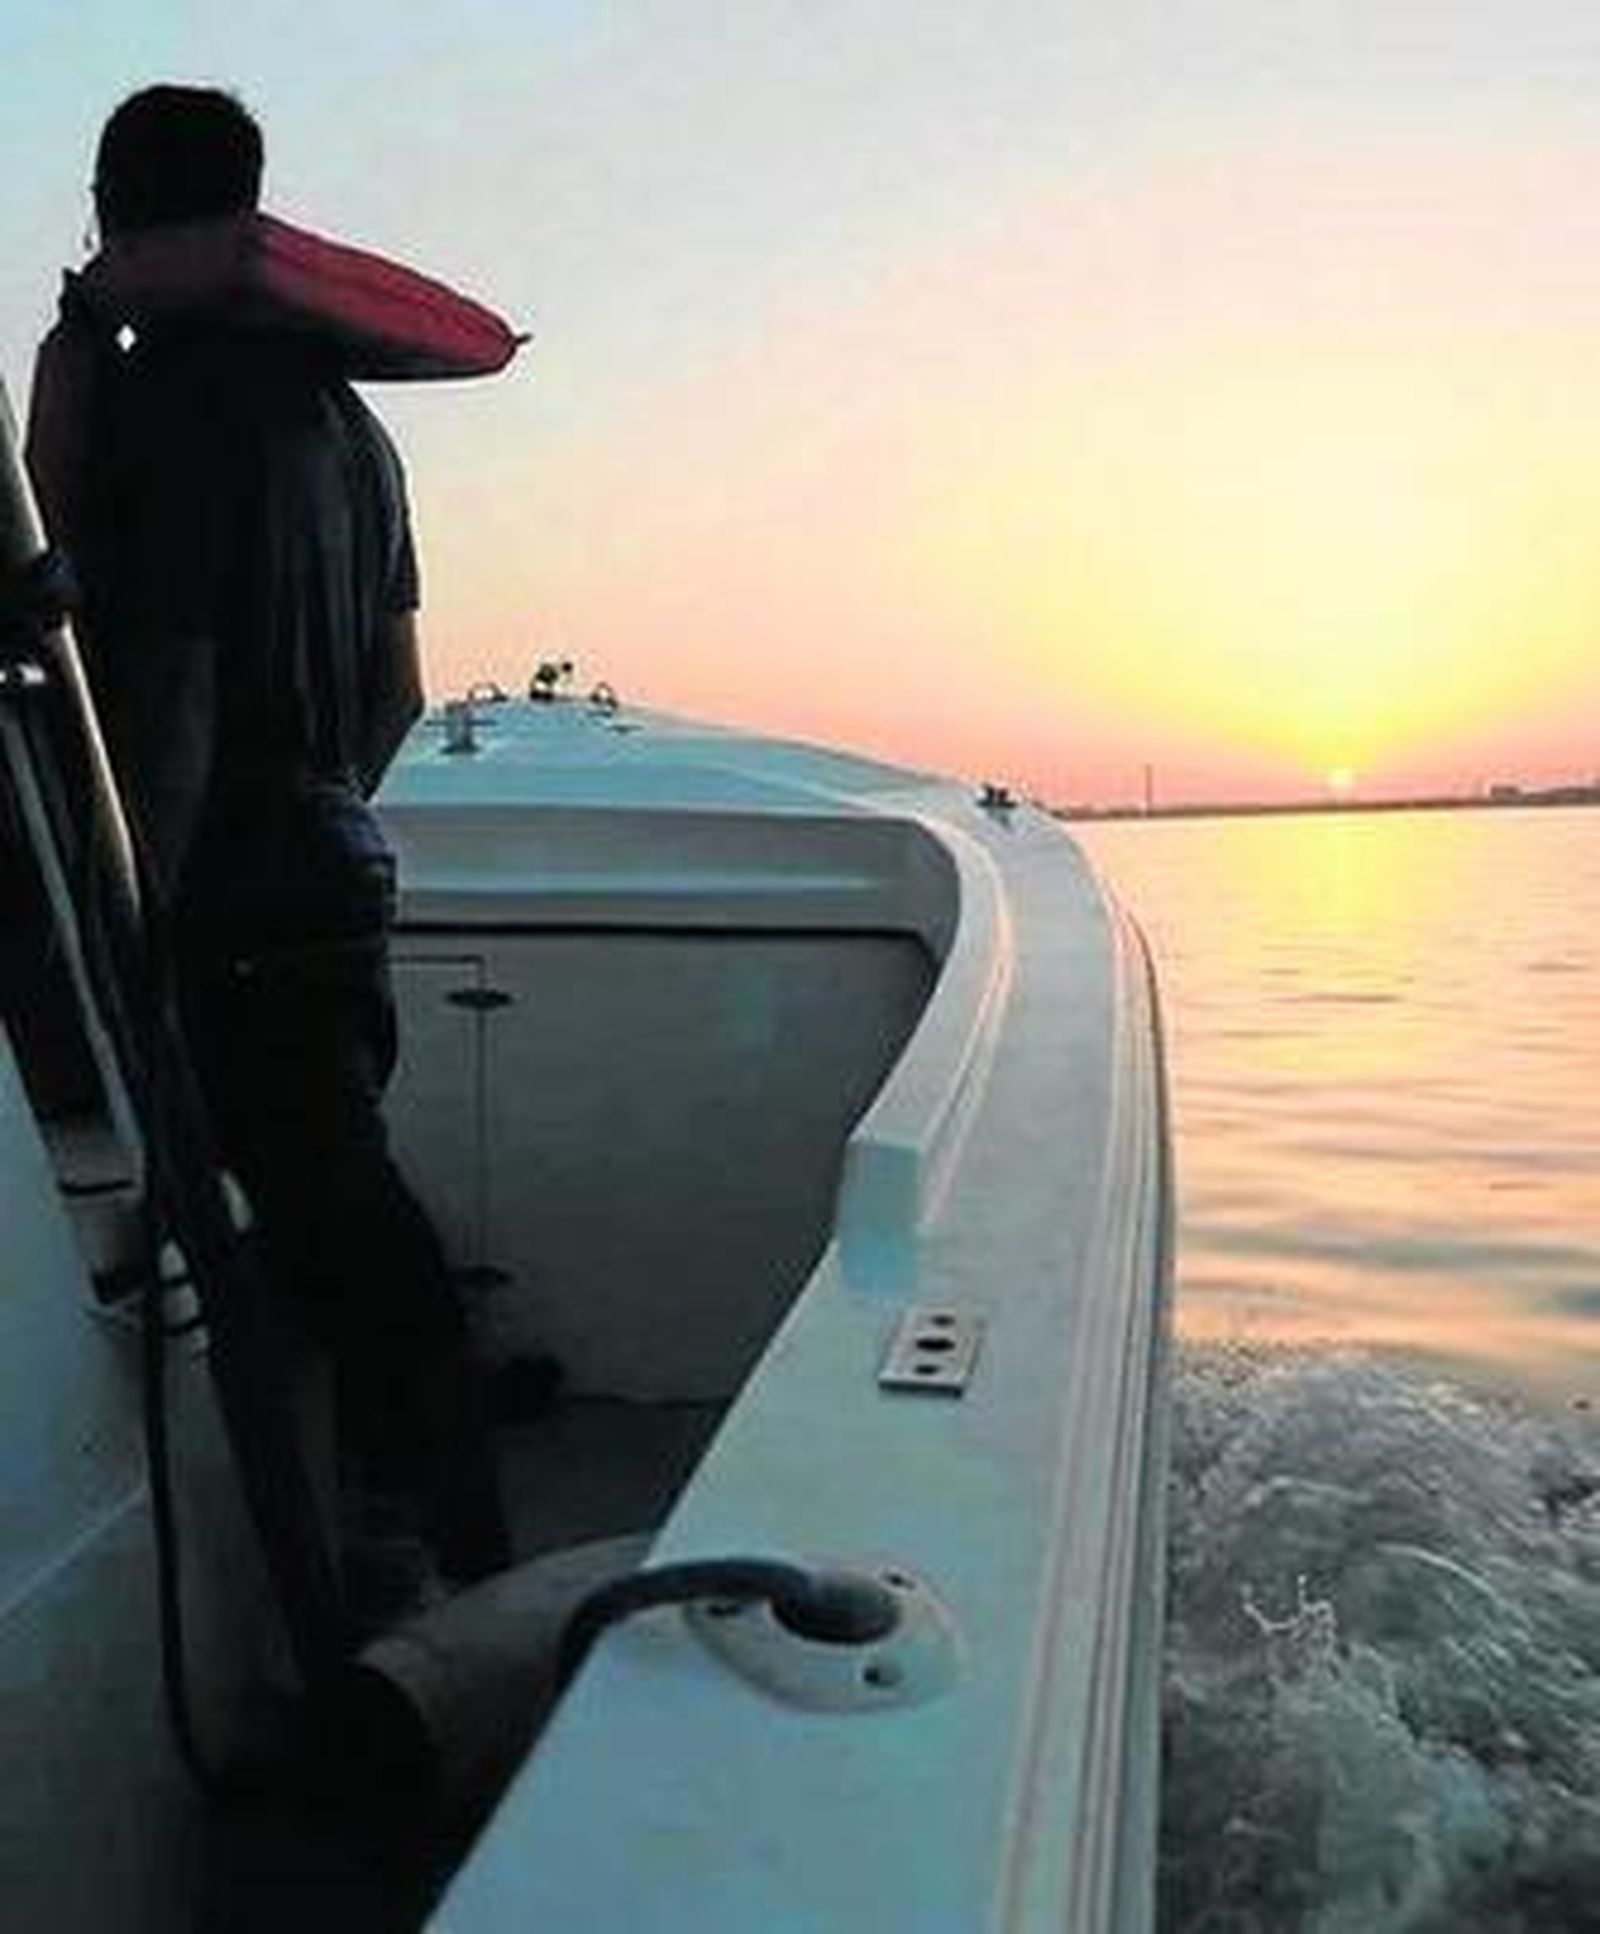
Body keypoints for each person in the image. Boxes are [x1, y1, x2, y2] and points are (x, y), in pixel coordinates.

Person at [33, 85, 511, 1604]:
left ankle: (461, 1561)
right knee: (332, 1207)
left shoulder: (170, 405)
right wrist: (318, 810)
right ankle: (390, 1541)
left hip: (225, 882)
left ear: (111, 213)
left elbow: (170, 691)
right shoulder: (357, 435)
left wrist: (138, 914)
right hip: (334, 862)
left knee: (341, 1227)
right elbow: (400, 694)